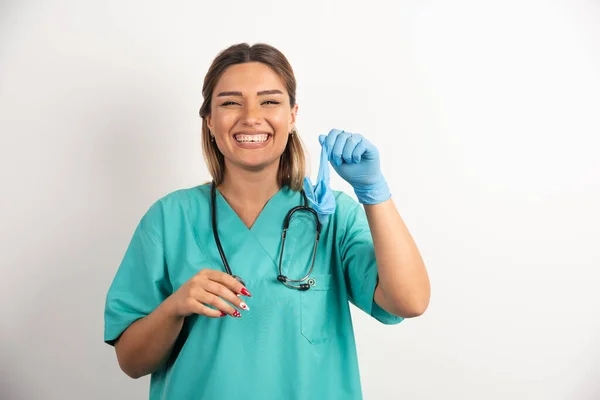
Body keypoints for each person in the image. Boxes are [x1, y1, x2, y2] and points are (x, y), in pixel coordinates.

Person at [104, 42, 430, 400]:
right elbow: (131, 362)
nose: (251, 117)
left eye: (269, 101)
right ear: (210, 120)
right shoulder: (169, 219)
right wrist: (175, 307)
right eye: (230, 102)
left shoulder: (332, 215)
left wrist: (374, 192)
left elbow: (410, 301)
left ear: (292, 116)